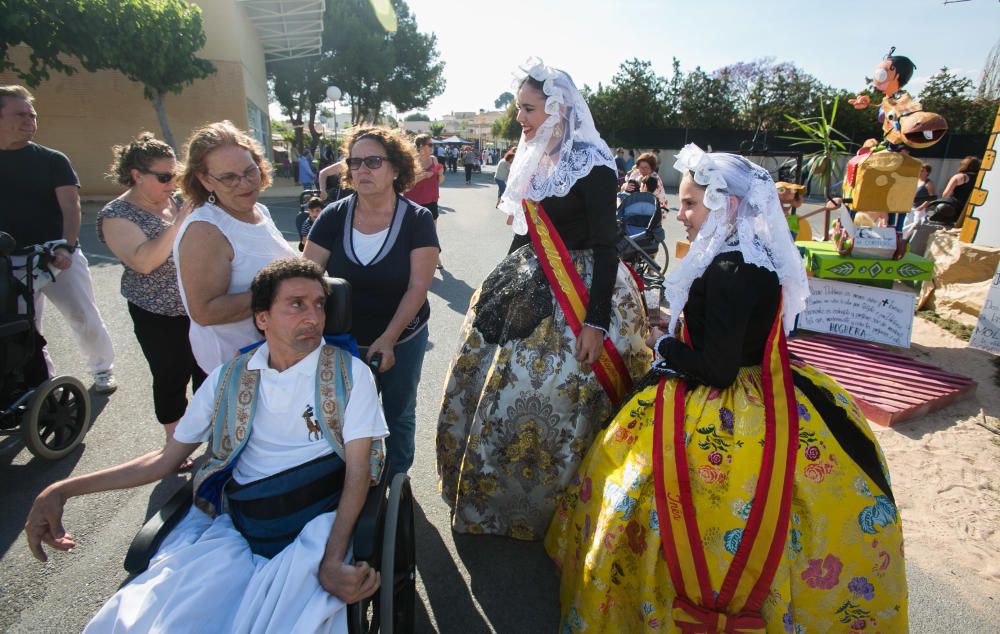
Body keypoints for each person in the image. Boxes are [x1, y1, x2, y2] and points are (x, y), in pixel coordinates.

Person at [545, 144, 907, 632]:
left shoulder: (728, 270)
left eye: (691, 203)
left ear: (727, 205)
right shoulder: (758, 259)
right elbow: (741, 334)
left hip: (722, 402)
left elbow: (716, 369)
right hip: (773, 382)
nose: (681, 212)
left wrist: (663, 343)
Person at [25, 258, 389, 633]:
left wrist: (331, 562)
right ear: (262, 318)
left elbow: (359, 471)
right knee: (160, 621)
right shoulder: (228, 379)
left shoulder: (350, 374)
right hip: (240, 526)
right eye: (296, 303)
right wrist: (62, 489)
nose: (313, 316)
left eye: (319, 304)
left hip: (317, 523)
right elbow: (165, 461)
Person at [436, 59, 651, 541]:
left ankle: (564, 514)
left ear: (557, 109)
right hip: (535, 274)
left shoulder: (592, 162)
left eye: (528, 109)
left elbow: (605, 245)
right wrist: (500, 281)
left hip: (585, 287)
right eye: (519, 109)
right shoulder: (533, 158)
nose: (521, 119)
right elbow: (527, 234)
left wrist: (594, 323)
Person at [304, 127, 439, 477]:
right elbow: (306, 277)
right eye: (356, 162)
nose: (362, 169)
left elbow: (417, 287)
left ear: (395, 168)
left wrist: (389, 339)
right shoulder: (334, 216)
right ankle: (352, 477)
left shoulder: (417, 220)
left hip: (403, 337)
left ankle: (397, 479)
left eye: (374, 161)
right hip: (342, 341)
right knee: (344, 414)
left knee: (398, 410)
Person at [98, 132, 206, 467]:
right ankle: (174, 444)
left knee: (206, 369)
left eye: (175, 174)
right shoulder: (117, 214)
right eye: (164, 177)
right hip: (156, 312)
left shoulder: (173, 200)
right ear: (136, 175)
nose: (172, 182)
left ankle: (212, 434)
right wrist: (178, 222)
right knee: (171, 374)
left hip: (196, 304)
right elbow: (143, 261)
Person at [0, 84, 117, 393]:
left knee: (82, 315)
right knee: (24, 328)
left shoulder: (52, 160)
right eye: (20, 114)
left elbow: (70, 205)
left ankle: (102, 368)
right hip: (9, 260)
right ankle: (41, 384)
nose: (30, 121)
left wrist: (66, 244)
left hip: (55, 255)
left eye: (32, 115)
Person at [174, 120, 297, 373]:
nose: (245, 183)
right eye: (229, 177)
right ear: (205, 180)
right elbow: (205, 312)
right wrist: (281, 293)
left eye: (250, 171)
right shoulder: (205, 230)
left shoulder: (258, 210)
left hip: (275, 357)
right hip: (238, 369)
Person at [919, 155, 981, 226]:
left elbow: (946, 194)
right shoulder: (980, 179)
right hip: (969, 211)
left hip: (954, 209)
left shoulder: (960, 177)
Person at [404, 133, 445, 224]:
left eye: (432, 145)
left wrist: (441, 175)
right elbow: (406, 185)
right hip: (414, 203)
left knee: (431, 233)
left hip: (432, 201)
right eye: (430, 145)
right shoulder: (411, 161)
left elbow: (439, 182)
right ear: (421, 146)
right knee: (414, 234)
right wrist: (424, 175)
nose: (432, 147)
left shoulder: (434, 159)